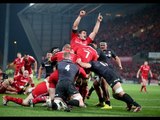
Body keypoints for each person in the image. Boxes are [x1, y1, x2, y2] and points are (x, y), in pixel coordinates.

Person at [76, 59, 142, 112]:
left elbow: (86, 65)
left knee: (120, 93)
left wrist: (79, 62)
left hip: (111, 76)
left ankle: (137, 105)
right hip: (112, 74)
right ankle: (129, 103)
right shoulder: (100, 63)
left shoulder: (92, 63)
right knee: (116, 95)